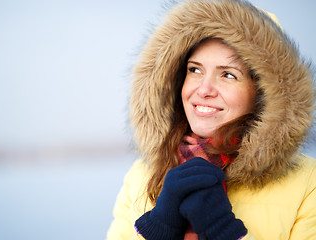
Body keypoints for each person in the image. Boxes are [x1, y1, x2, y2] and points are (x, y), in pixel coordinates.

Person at [107, 0, 316, 239]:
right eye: (194, 69)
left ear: (263, 93)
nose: (204, 89)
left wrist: (223, 230)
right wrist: (158, 228)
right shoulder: (141, 175)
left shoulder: (309, 183)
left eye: (228, 74)